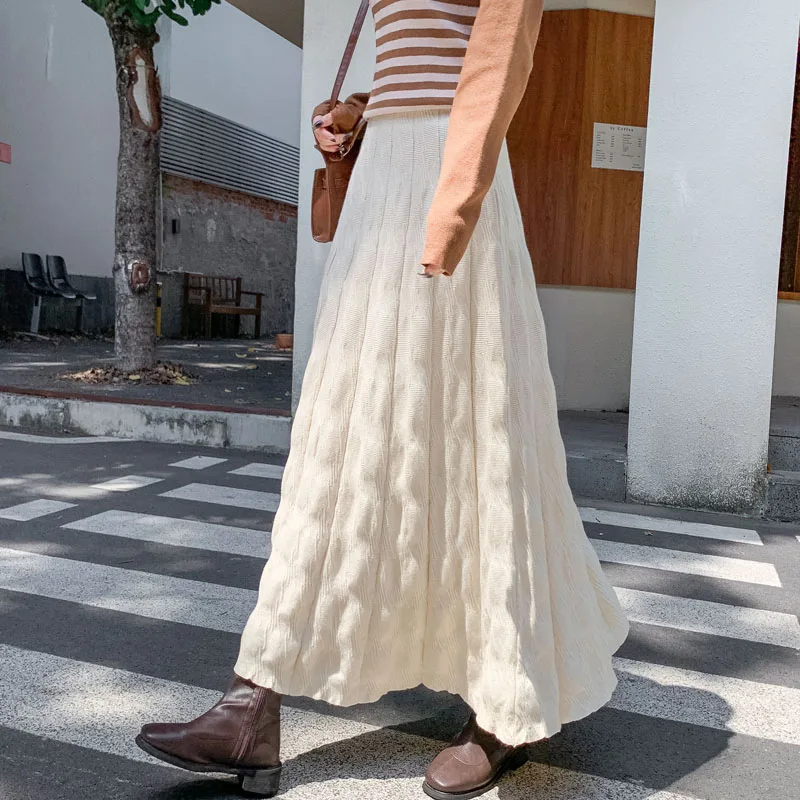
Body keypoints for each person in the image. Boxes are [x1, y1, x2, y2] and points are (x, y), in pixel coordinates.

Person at [135, 1, 629, 798]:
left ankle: (508, 702)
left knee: (482, 439)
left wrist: (452, 208)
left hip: (453, 186)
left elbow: (498, 64)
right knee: (340, 440)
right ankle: (251, 704)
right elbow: (412, 63)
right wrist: (357, 114)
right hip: (381, 197)